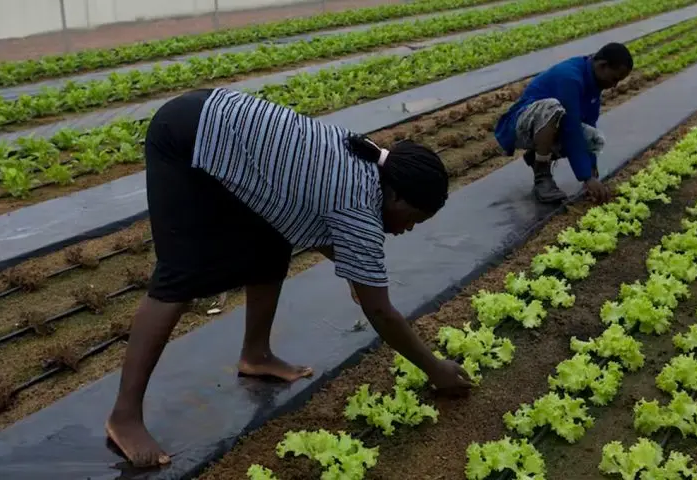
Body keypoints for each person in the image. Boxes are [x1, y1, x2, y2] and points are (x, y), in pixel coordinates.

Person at [106, 87, 475, 467]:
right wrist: (436, 368)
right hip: (185, 137)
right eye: (413, 219)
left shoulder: (370, 164)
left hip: (221, 126)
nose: (408, 229)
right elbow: (380, 312)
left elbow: (315, 212)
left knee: (271, 244)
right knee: (179, 274)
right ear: (396, 197)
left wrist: (355, 273)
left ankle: (256, 354)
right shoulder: (359, 206)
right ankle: (124, 417)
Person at [494, 42, 634, 204]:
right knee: (553, 108)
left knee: (591, 136)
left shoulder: (593, 82)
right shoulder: (570, 77)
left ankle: (538, 156)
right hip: (519, 124)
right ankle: (542, 176)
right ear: (602, 66)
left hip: (546, 126)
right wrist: (585, 177)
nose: (614, 85)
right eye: (615, 78)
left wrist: (592, 174)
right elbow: (571, 128)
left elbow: (588, 126)